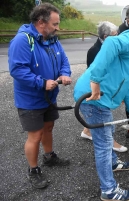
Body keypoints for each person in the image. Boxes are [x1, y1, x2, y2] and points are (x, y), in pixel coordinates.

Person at [73, 19, 129, 201]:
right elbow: (110, 41)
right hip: (94, 97)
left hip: (95, 96)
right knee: (103, 143)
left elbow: (126, 83)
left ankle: (111, 163)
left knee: (107, 132)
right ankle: (109, 191)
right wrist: (95, 81)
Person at [8, 3, 71, 189]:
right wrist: (42, 82)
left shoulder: (52, 39)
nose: (57, 28)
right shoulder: (22, 41)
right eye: (55, 24)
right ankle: (33, 170)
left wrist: (64, 73)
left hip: (49, 97)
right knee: (35, 135)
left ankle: (49, 156)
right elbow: (17, 70)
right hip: (30, 100)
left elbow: (64, 61)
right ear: (41, 23)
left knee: (49, 127)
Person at [80, 21, 128, 153]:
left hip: (104, 88)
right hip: (98, 90)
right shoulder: (95, 51)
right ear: (106, 37)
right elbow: (93, 74)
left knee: (99, 115)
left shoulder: (108, 47)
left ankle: (87, 131)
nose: (118, 37)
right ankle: (110, 143)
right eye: (115, 34)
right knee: (103, 118)